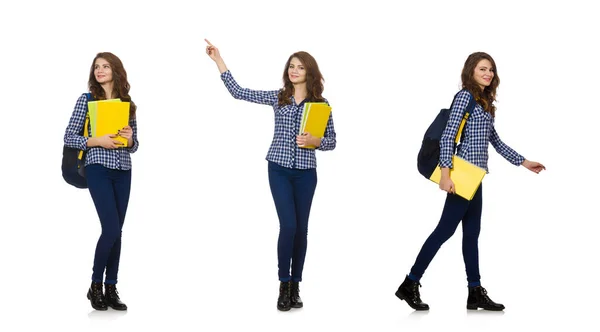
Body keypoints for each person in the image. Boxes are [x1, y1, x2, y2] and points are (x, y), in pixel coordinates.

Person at [395, 52, 545, 311]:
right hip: (460, 175)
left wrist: (524, 161)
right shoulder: (465, 96)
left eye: (491, 70)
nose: (488, 74)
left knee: (471, 235)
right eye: (482, 69)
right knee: (444, 231)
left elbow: (495, 141)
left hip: (476, 177)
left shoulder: (483, 102)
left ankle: (474, 291)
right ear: (471, 72)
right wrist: (445, 175)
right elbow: (448, 137)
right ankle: (410, 283)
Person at [205, 39, 336, 311]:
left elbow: (332, 141)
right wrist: (219, 60)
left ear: (310, 73)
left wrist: (316, 140)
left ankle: (296, 286)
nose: (294, 71)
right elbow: (239, 92)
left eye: (300, 67)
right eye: (291, 66)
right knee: (288, 226)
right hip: (278, 168)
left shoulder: (321, 105)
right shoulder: (279, 97)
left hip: (306, 173)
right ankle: (283, 283)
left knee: (302, 229)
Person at [63, 52, 139, 311]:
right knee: (111, 229)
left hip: (123, 170)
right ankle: (95, 285)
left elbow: (134, 145)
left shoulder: (127, 104)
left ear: (116, 71)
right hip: (97, 168)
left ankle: (111, 287)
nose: (100, 70)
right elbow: (69, 136)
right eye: (97, 67)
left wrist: (128, 139)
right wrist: (97, 140)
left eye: (105, 66)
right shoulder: (86, 100)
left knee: (117, 231)